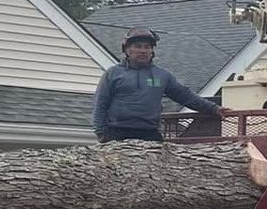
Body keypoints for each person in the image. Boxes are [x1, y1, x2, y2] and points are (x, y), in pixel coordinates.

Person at [93, 28, 222, 143]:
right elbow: (100, 104)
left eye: (147, 47)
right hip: (117, 133)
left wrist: (214, 108)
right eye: (138, 46)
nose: (143, 51)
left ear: (152, 51)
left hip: (149, 133)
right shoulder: (113, 73)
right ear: (127, 49)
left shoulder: (162, 75)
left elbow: (185, 96)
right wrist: (101, 133)